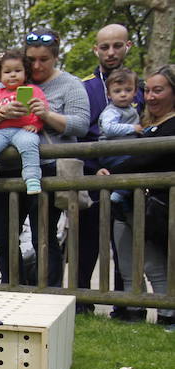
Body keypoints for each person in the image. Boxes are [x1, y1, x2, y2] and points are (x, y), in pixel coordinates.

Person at [0, 27, 89, 288]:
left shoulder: (70, 84)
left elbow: (81, 125)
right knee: (3, 233)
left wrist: (47, 115)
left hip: (47, 169)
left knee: (43, 235)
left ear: (55, 57)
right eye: (31, 59)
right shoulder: (6, 84)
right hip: (10, 168)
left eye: (44, 59)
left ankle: (49, 290)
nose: (37, 65)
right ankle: (13, 285)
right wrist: (1, 112)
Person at [98, 64, 175, 330]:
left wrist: (113, 172)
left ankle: (168, 315)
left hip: (154, 206)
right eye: (148, 90)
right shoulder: (141, 124)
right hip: (127, 202)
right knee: (127, 263)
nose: (151, 96)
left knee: (154, 264)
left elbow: (147, 158)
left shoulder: (171, 125)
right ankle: (133, 313)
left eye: (159, 90)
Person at [79, 24, 145, 317]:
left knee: (125, 241)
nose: (111, 52)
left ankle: (126, 305)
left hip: (130, 174)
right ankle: (81, 301)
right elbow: (80, 132)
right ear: (96, 49)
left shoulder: (141, 87)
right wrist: (91, 169)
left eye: (117, 46)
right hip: (93, 174)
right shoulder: (85, 87)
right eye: (104, 47)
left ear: (128, 46)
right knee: (86, 239)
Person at [0, 49, 47, 201]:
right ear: (0, 75)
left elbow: (42, 110)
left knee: (30, 144)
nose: (13, 75)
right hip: (0, 131)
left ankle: (32, 178)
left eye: (18, 71)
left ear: (26, 73)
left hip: (23, 130)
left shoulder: (34, 90)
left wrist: (36, 125)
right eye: (7, 72)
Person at [98, 68, 143, 205]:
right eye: (117, 91)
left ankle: (122, 202)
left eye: (128, 90)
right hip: (112, 152)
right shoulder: (111, 111)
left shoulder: (130, 110)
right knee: (133, 166)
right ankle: (118, 193)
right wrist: (133, 128)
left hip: (125, 150)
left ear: (135, 92)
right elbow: (108, 128)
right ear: (109, 94)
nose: (123, 94)